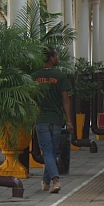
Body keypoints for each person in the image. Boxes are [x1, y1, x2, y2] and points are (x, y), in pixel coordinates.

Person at [32, 47, 73, 194]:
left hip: (41, 119)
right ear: (51, 58)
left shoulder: (34, 77)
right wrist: (69, 121)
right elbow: (65, 100)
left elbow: (31, 100)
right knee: (51, 152)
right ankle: (56, 181)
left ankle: (45, 181)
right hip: (56, 120)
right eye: (56, 55)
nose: (57, 58)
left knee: (48, 152)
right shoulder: (60, 76)